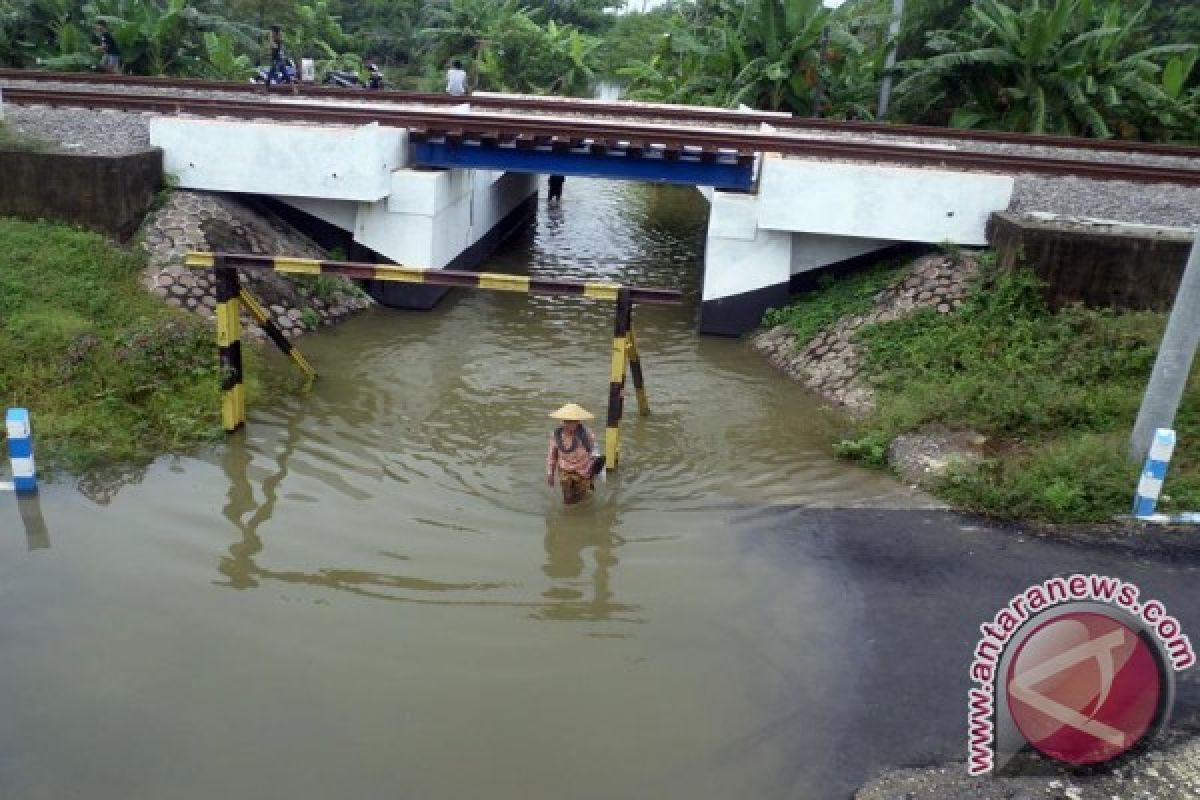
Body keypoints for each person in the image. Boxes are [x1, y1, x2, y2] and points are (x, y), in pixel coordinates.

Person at [546, 403, 604, 505]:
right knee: (568, 499)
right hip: (565, 471)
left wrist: (598, 471)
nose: (571, 424)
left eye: (574, 421)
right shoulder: (556, 436)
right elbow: (552, 456)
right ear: (563, 421)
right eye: (568, 421)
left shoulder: (587, 434)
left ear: (578, 421)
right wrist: (550, 473)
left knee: (582, 498)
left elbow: (594, 451)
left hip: (584, 471)